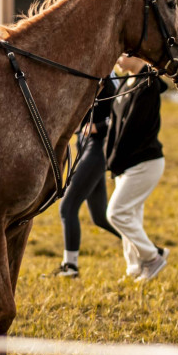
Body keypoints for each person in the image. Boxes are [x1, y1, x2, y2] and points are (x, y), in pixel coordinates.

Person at [104, 54, 170, 282]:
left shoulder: (148, 85)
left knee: (116, 213)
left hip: (145, 162)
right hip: (126, 163)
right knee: (131, 215)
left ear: (138, 56)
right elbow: (115, 123)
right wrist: (110, 159)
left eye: (123, 53)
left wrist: (114, 160)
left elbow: (132, 128)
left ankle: (153, 256)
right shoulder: (126, 83)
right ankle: (134, 268)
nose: (118, 58)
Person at [54, 76, 122, 277]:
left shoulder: (110, 80)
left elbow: (122, 116)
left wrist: (98, 127)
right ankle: (147, 248)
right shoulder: (89, 73)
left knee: (67, 208)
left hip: (97, 150)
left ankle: (71, 266)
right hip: (84, 146)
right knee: (100, 217)